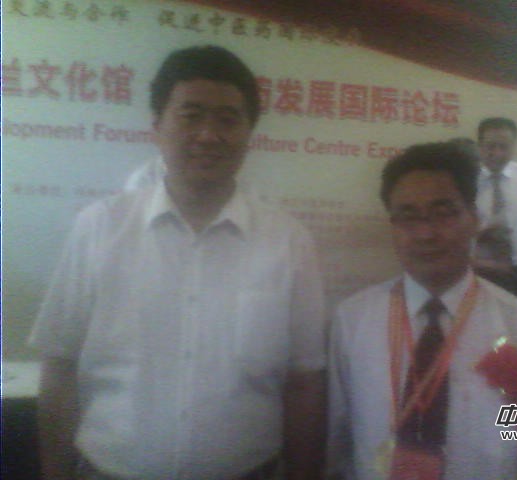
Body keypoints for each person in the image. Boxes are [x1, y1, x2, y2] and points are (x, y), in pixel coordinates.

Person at [30, 45, 327, 480]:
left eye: (228, 120)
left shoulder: (289, 241)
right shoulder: (99, 227)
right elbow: (60, 364)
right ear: (157, 126)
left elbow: (304, 382)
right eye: (191, 115)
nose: (208, 135)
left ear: (249, 133)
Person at [328, 143, 517, 480]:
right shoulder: (352, 321)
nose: (426, 233)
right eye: (408, 216)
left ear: (474, 218)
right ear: (392, 226)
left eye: (443, 212)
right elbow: (337, 440)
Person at [474, 117, 517, 298]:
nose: (497, 153)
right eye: (490, 146)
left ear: (513, 148)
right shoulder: (466, 178)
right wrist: (481, 233)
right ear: (480, 147)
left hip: (516, 268)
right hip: (478, 269)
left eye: (504, 147)